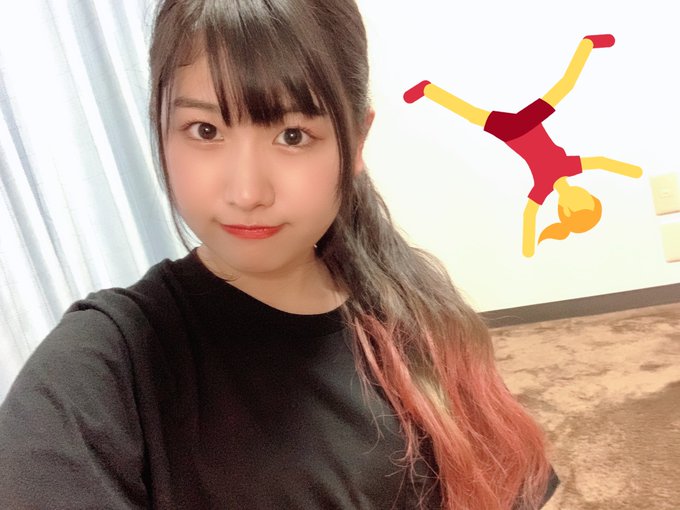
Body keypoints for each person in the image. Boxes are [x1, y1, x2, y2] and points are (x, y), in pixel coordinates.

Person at [0, 1, 559, 508]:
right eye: (205, 129)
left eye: (292, 134)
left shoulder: (414, 300)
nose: (246, 192)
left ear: (356, 141)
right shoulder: (111, 359)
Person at [404, 34, 643, 257]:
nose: (583, 195)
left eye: (582, 203)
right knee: (565, 86)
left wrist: (528, 246)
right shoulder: (570, 167)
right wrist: (632, 170)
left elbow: (530, 213)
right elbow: (600, 162)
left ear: (566, 210)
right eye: (588, 198)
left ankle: (427, 89)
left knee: (471, 114)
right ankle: (587, 45)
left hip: (512, 134)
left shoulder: (543, 186)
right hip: (531, 122)